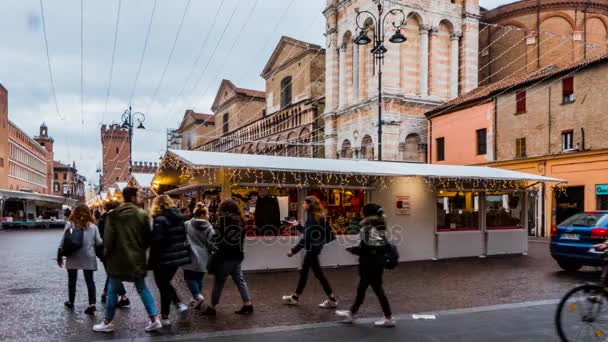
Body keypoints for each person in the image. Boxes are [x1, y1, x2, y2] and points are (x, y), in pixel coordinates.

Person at [93, 187, 161, 333]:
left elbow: (108, 240)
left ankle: (107, 322)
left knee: (112, 290)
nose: (140, 198)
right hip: (137, 258)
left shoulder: (113, 215)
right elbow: (148, 239)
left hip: (117, 260)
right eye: (138, 195)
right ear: (132, 197)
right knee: (142, 288)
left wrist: (106, 254)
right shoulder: (142, 214)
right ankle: (154, 319)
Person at [335, 203, 395, 327]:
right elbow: (378, 245)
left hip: (369, 263)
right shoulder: (380, 226)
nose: (361, 213)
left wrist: (353, 250)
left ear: (367, 214)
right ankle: (352, 313)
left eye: (363, 211)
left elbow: (366, 248)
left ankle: (388, 318)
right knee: (363, 289)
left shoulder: (366, 227)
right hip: (377, 262)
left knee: (376, 289)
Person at [282, 196, 338, 308]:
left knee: (312, 273)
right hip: (315, 248)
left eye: (304, 203)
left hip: (312, 248)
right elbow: (309, 232)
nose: (303, 205)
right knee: (313, 273)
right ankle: (297, 297)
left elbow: (308, 236)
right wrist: (298, 226)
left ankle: (296, 297)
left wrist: (294, 250)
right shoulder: (319, 216)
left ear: (309, 205)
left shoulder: (312, 216)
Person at [202, 200, 253, 316]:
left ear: (225, 211)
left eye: (221, 210)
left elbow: (217, 238)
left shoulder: (224, 222)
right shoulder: (241, 221)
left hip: (226, 257)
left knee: (219, 281)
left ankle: (212, 307)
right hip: (237, 256)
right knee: (239, 279)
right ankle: (248, 304)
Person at [149, 195, 191, 326]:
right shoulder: (179, 218)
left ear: (158, 205)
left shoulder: (160, 219)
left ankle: (178, 304)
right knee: (165, 285)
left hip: (163, 258)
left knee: (163, 285)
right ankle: (165, 316)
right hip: (176, 258)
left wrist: (151, 260)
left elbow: (157, 241)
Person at [57, 204, 102, 315]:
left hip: (73, 255)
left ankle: (71, 302)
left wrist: (59, 254)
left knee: (72, 280)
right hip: (88, 255)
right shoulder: (93, 226)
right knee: (90, 280)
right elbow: (99, 242)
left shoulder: (70, 224)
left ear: (75, 212)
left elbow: (63, 241)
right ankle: (92, 304)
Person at [182, 202, 215, 309]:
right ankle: (197, 297)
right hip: (204, 256)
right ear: (203, 214)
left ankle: (197, 296)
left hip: (190, 255)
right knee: (198, 278)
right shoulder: (209, 227)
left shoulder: (187, 224)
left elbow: (182, 237)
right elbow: (212, 242)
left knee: (188, 277)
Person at [98, 200, 129, 307]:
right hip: (116, 250)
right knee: (112, 273)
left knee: (111, 273)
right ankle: (116, 294)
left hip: (106, 250)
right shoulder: (118, 218)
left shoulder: (102, 219)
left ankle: (122, 296)